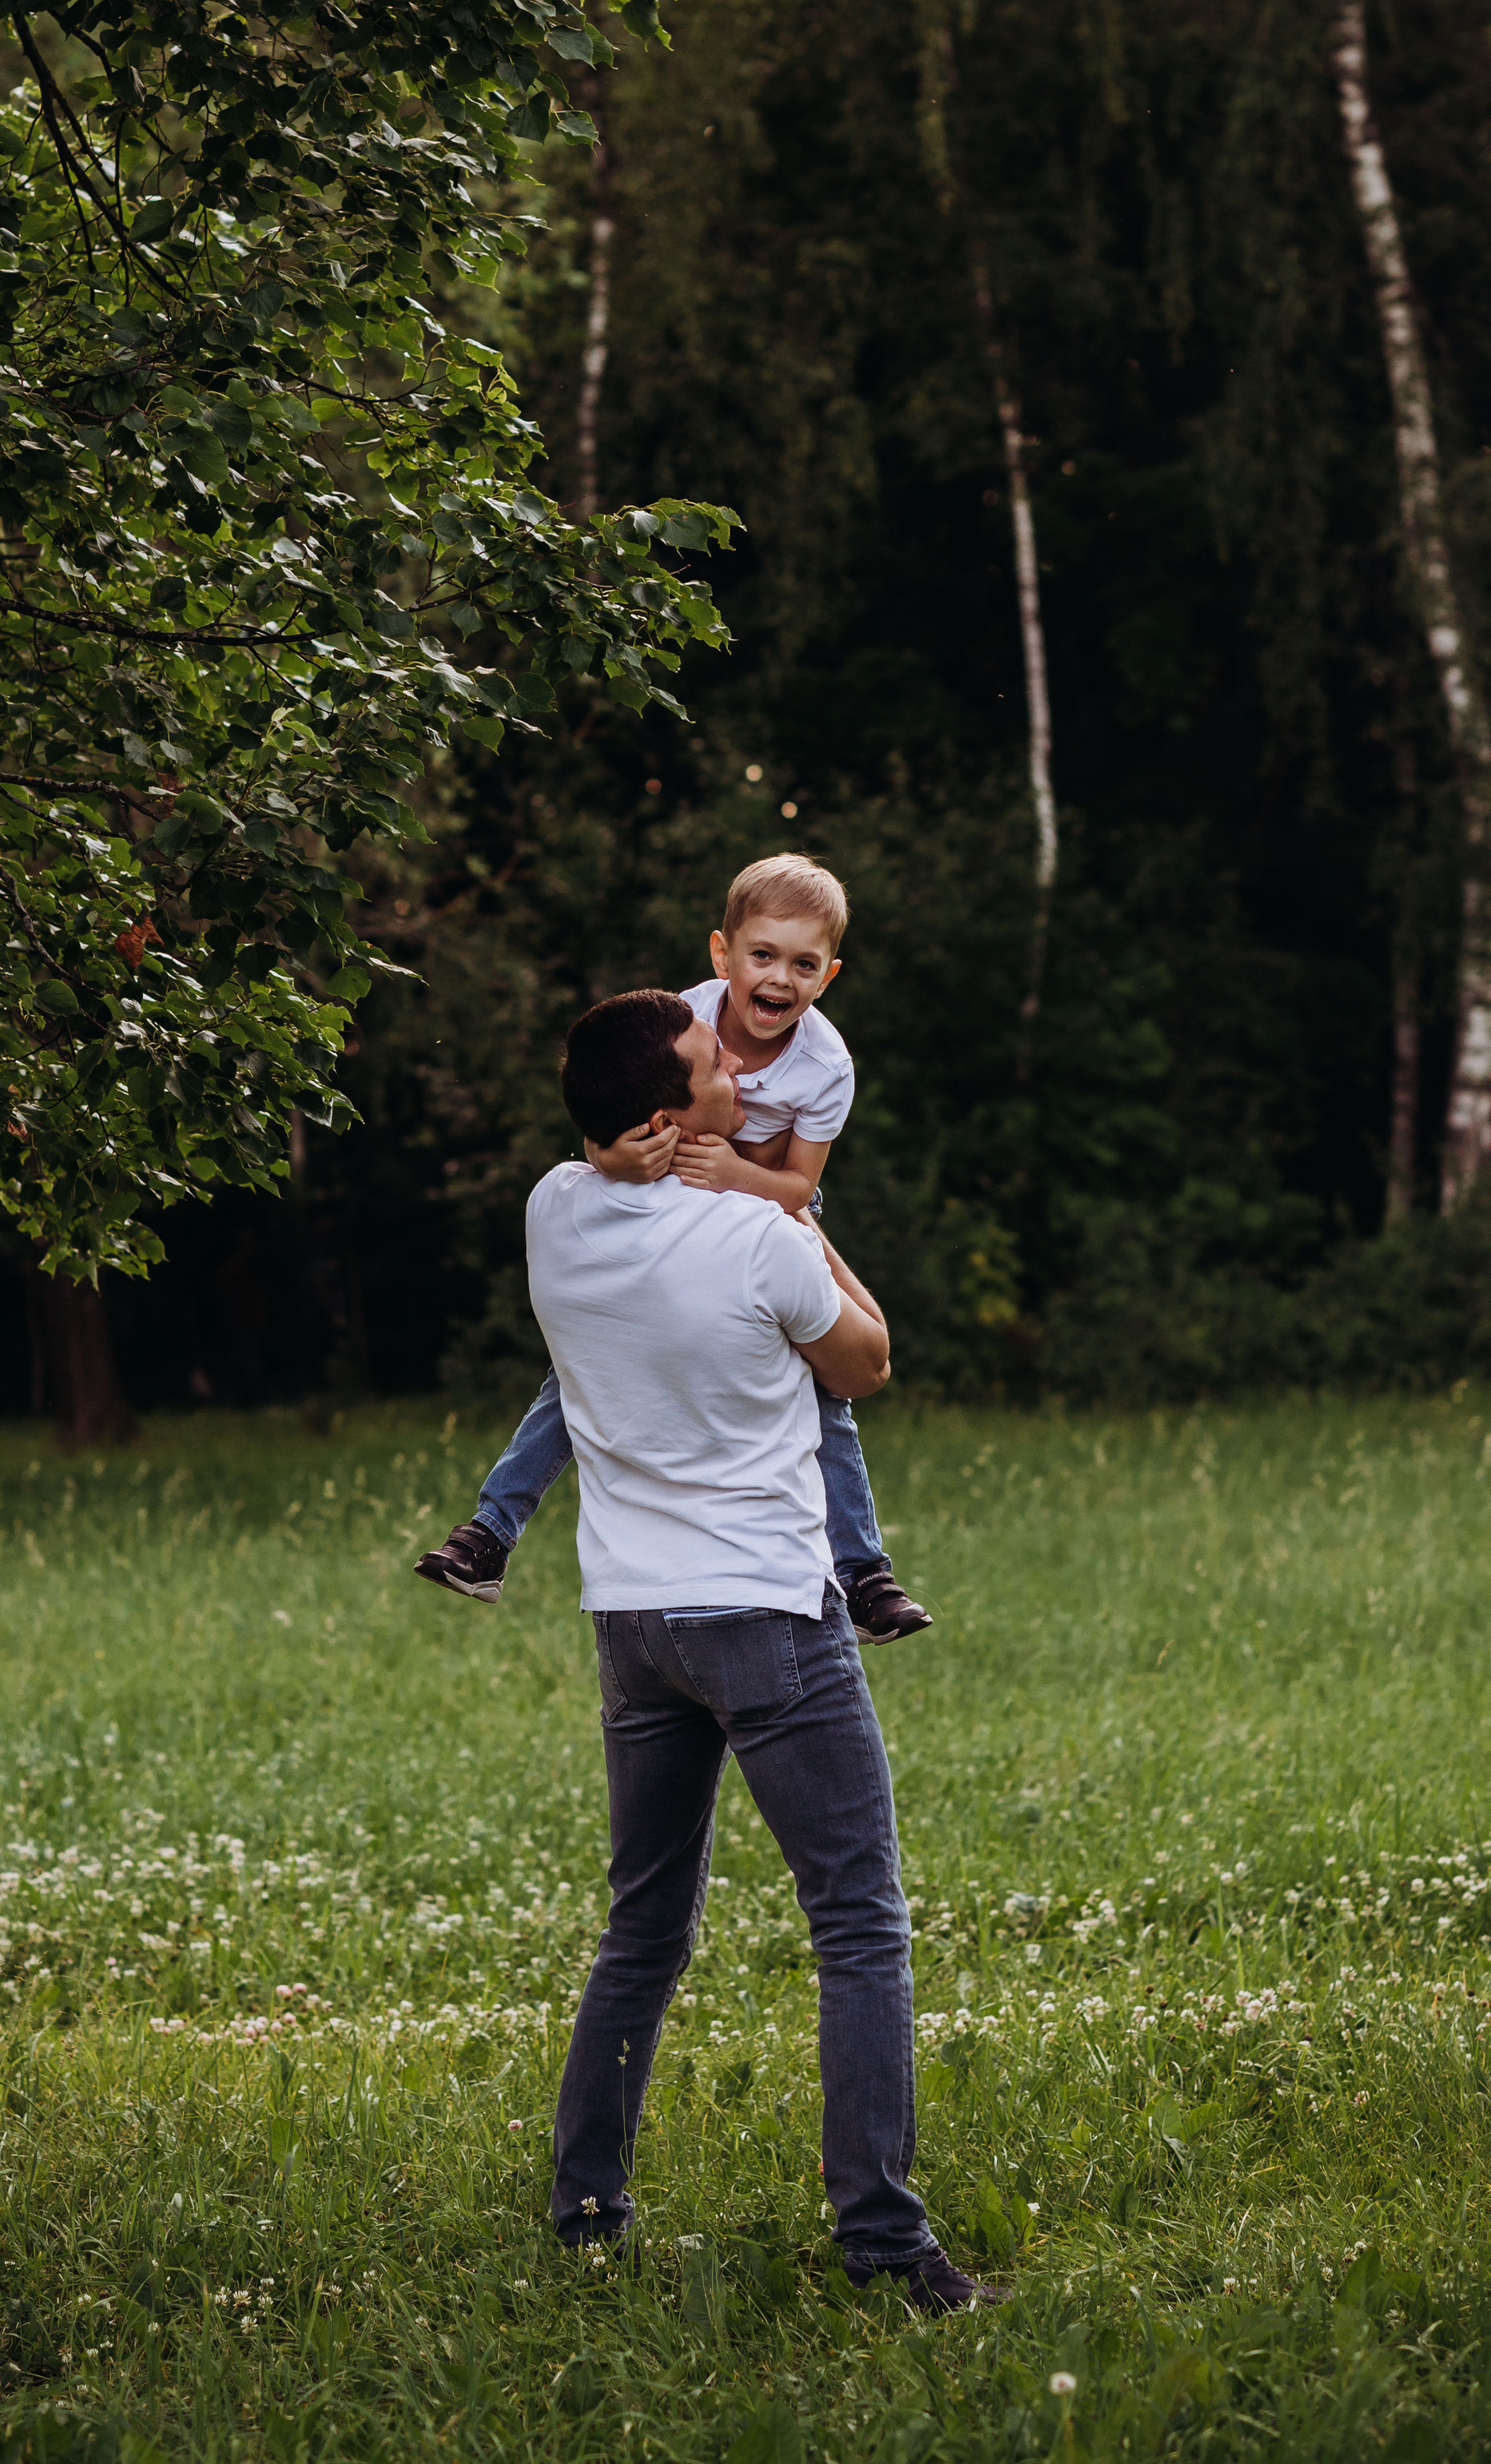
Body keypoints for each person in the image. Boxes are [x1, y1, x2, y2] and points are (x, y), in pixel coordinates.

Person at [524, 985, 1003, 2314]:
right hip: (767, 1616)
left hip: (634, 1623)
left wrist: (668, 1147)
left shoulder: (553, 1215)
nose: (738, 1063)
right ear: (668, 1115)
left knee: (645, 1921)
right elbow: (867, 1360)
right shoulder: (752, 1235)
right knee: (859, 1921)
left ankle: (584, 2207)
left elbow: (589, 1151)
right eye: (710, 1062)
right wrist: (788, 1200)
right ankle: (887, 2245)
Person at [414, 854, 931, 1646]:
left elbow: (799, 1187)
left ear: (828, 974)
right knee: (575, 1374)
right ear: (723, 955)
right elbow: (615, 1103)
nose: (779, 979)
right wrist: (609, 1155)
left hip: (766, 1204)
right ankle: (492, 1528)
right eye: (762, 957)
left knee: (826, 1394)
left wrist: (735, 1175)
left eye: (802, 965)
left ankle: (862, 1571)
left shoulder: (825, 1065)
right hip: (665, 1186)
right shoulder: (683, 1018)